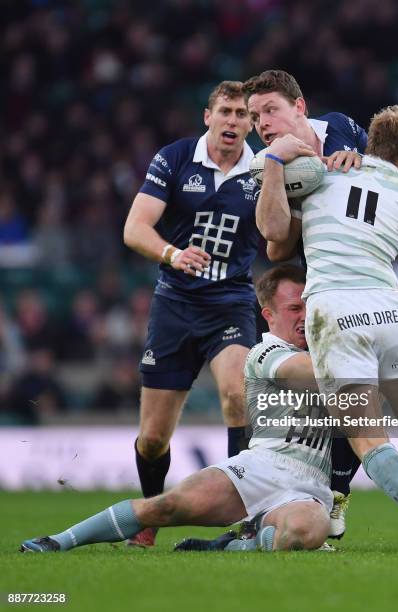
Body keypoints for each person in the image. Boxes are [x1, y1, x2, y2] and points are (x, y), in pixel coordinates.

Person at [20, 265, 336, 554]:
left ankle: (238, 546)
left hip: (306, 487)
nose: (305, 316)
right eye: (295, 308)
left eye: (310, 307)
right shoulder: (266, 353)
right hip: (259, 470)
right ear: (268, 315)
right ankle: (59, 541)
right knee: (164, 506)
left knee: (304, 529)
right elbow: (315, 372)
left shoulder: (325, 354)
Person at [254, 103, 398, 551]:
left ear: (369, 144)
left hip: (334, 311)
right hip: (389, 309)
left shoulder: (321, 176)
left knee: (365, 434)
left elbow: (277, 239)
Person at [121, 81, 260, 547]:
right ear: (208, 116)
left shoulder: (263, 171)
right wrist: (172, 254)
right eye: (226, 112)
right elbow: (135, 228)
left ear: (251, 123)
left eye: (242, 114)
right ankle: (151, 510)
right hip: (176, 305)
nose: (233, 121)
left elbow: (280, 234)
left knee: (238, 396)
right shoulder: (176, 158)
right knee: (154, 439)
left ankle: (245, 513)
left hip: (231, 302)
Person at [243, 69, 366, 538]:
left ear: (300, 106)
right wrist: (276, 166)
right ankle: (277, 495)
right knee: (337, 392)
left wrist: (358, 160)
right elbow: (275, 243)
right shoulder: (262, 164)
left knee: (362, 391)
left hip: (359, 279)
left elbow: (383, 180)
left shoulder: (342, 128)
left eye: (270, 110)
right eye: (255, 117)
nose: (262, 123)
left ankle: (336, 492)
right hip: (316, 285)